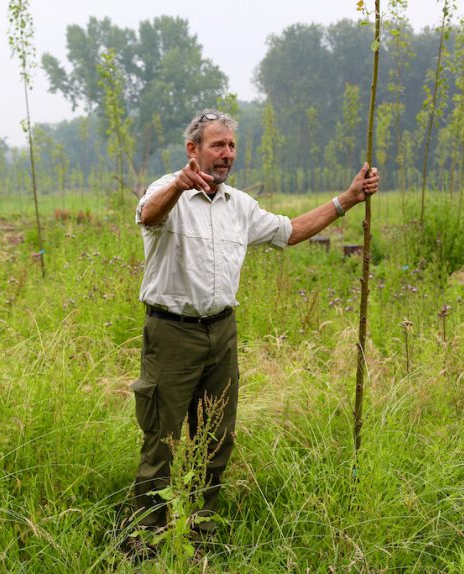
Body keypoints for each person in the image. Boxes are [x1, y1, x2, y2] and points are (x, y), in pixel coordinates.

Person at [127, 109, 379, 552]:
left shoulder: (240, 206)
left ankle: (200, 539)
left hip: (221, 334)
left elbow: (292, 231)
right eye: (217, 145)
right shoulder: (167, 192)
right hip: (171, 334)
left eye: (231, 146)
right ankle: (141, 544)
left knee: (215, 440)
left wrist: (349, 198)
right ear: (193, 149)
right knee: (161, 443)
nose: (226, 154)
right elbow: (149, 216)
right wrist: (177, 187)